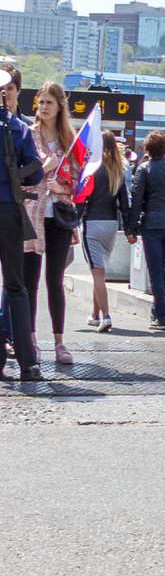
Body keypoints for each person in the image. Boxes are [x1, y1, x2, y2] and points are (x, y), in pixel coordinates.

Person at [29, 83, 81, 365]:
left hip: (60, 214)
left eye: (49, 102)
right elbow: (23, 173)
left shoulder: (69, 140)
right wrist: (47, 166)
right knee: (30, 280)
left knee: (55, 280)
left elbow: (80, 181)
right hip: (32, 214)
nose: (44, 107)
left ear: (60, 105)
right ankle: (32, 342)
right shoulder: (29, 134)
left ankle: (60, 342)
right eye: (41, 102)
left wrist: (62, 190)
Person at [1, 64, 41, 382]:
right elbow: (37, 171)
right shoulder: (20, 129)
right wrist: (17, 175)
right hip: (10, 212)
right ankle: (27, 363)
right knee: (16, 287)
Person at [128, 131, 165, 334]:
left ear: (147, 148)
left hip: (152, 224)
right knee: (159, 269)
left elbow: (136, 200)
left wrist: (131, 227)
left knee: (155, 272)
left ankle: (161, 316)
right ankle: (156, 311)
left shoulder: (144, 169)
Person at [81, 122, 135, 334]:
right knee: (99, 270)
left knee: (97, 274)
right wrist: (130, 229)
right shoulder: (118, 171)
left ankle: (106, 316)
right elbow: (125, 203)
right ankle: (94, 314)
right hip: (111, 225)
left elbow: (82, 200)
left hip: (92, 223)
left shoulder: (92, 169)